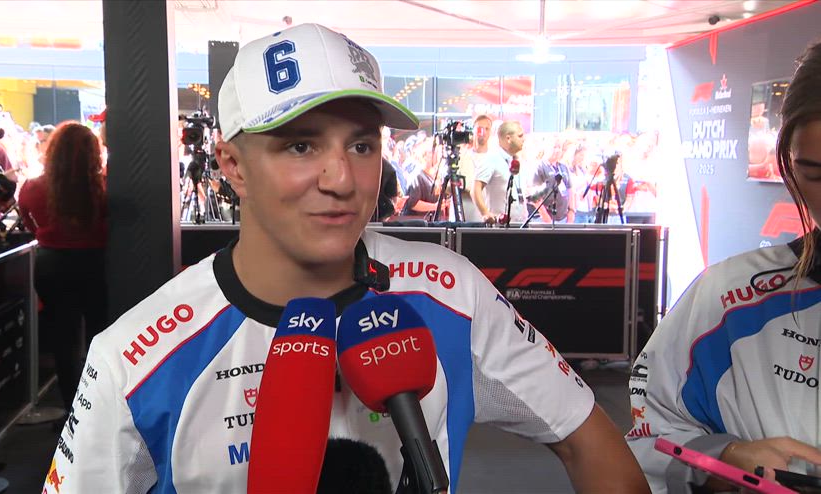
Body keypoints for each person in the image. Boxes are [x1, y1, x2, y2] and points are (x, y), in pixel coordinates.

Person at [42, 23, 649, 493]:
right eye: (300, 145)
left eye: (361, 144)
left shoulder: (452, 290)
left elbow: (587, 440)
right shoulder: (132, 355)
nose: (342, 179)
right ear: (232, 166)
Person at [627, 41, 821, 493]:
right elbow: (646, 436)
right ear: (789, 164)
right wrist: (722, 459)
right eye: (816, 173)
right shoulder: (730, 298)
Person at [18, 122, 108, 406]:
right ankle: (99, 403)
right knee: (100, 335)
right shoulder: (104, 187)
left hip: (51, 265)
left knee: (63, 338)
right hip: (95, 264)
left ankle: (70, 405)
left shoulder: (32, 188)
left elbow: (30, 224)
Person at [472, 120, 528, 225]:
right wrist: (485, 213)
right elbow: (475, 189)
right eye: (520, 136)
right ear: (508, 138)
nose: (523, 139)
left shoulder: (518, 160)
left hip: (521, 225)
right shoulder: (491, 158)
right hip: (500, 226)